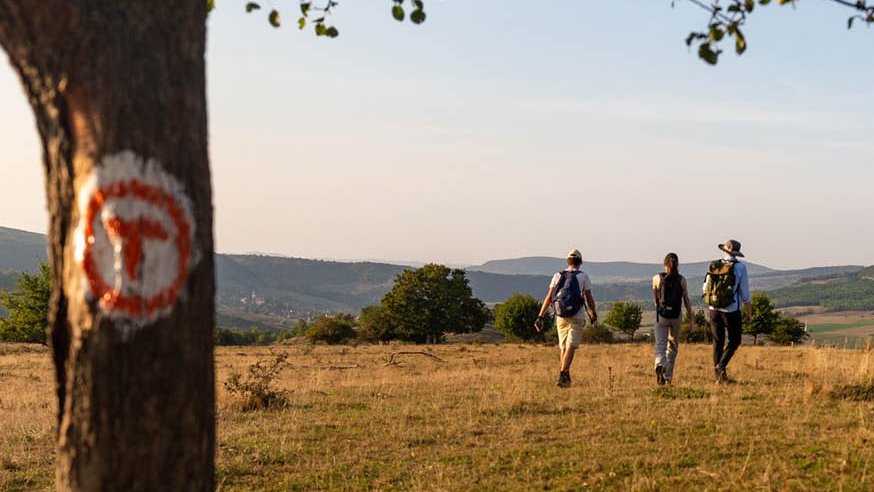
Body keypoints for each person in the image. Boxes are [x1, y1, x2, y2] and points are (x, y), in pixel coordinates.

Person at [535, 249, 597, 388]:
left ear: (567, 262)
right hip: (576, 315)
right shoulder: (583, 276)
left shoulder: (558, 275)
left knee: (563, 347)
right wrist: (593, 313)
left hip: (560, 315)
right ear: (580, 263)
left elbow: (549, 297)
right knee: (571, 346)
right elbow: (589, 297)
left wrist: (541, 315)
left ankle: (566, 378)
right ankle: (563, 374)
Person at [703, 239, 751, 383]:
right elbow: (745, 293)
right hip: (731, 309)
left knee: (718, 341)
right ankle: (721, 366)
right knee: (735, 340)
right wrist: (748, 312)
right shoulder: (740, 268)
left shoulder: (714, 265)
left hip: (713, 308)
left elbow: (705, 288)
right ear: (736, 253)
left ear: (724, 250)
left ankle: (719, 376)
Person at [651, 252, 696, 385]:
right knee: (672, 347)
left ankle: (659, 364)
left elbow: (656, 301)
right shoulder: (682, 280)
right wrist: (691, 320)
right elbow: (686, 300)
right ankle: (667, 376)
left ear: (664, 264)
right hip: (676, 316)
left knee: (660, 346)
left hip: (662, 316)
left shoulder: (656, 278)